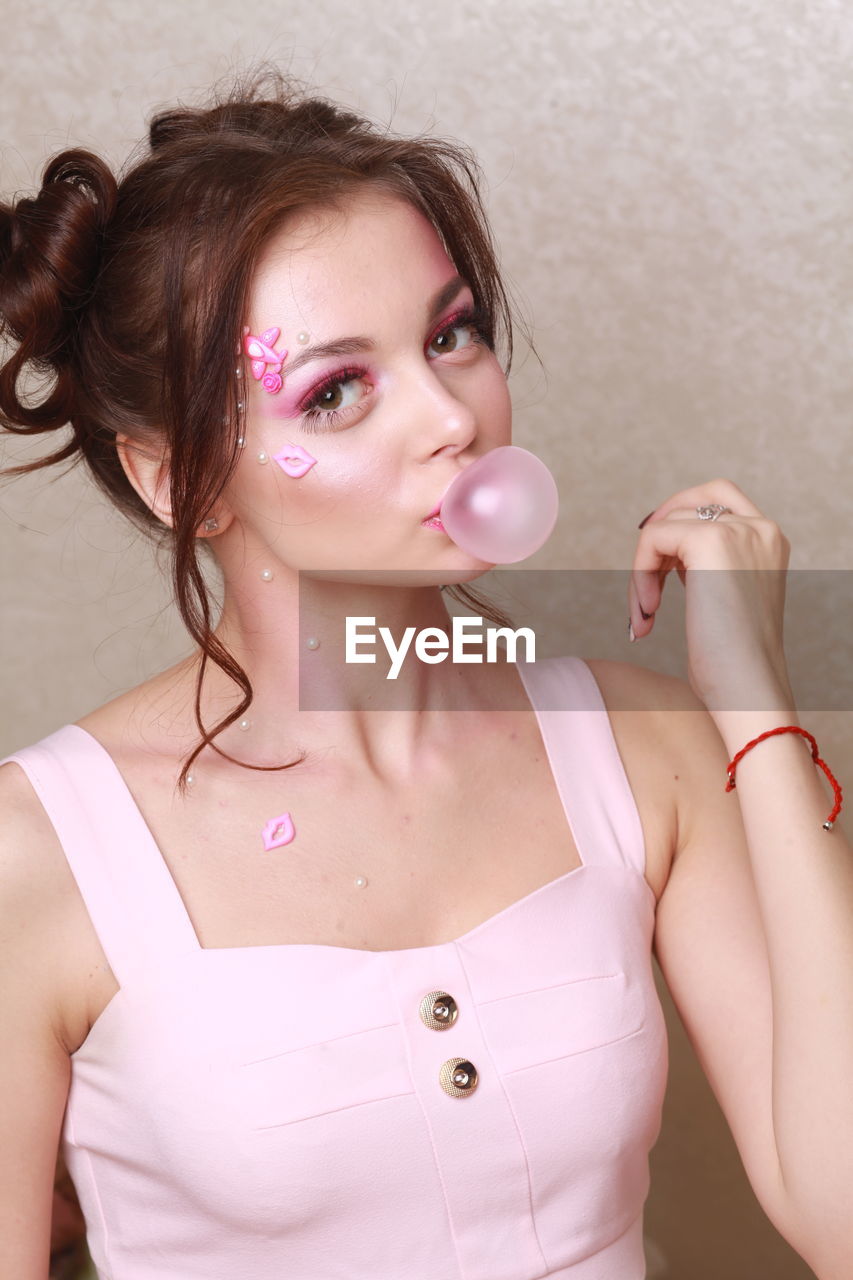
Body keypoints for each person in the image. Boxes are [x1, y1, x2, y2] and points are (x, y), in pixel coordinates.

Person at [0, 70, 850, 1280]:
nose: (450, 415)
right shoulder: (32, 855)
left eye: (450, 333)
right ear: (176, 478)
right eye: (336, 389)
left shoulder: (649, 748)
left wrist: (752, 697)